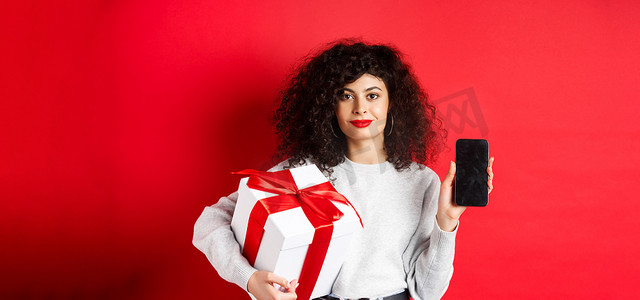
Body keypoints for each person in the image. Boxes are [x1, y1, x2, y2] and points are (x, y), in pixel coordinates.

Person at [192, 40, 495, 300]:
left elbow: (428, 292)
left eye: (373, 95)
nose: (360, 107)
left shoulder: (422, 181)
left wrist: (446, 223)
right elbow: (209, 223)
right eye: (345, 95)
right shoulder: (300, 174)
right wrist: (249, 278)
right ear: (328, 106)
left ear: (392, 104)